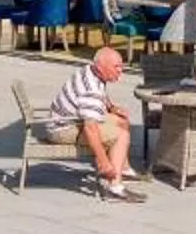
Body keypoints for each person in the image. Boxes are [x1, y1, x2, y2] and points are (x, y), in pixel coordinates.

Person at [49, 46, 145, 200]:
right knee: (120, 135)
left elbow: (102, 95)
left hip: (71, 119)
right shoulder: (90, 90)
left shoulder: (92, 70)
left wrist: (111, 107)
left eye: (121, 66)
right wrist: (103, 162)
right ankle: (114, 187)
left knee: (122, 121)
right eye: (116, 67)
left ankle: (123, 168)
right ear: (101, 67)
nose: (121, 70)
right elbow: (90, 129)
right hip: (63, 129)